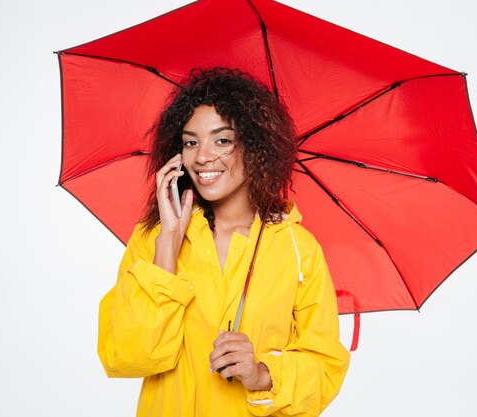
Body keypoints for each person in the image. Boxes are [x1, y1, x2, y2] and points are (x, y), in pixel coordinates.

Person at [97, 68, 350, 416]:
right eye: (190, 142)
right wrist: (167, 248)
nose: (202, 157)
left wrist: (261, 374)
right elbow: (125, 356)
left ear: (255, 146)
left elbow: (325, 366)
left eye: (222, 140)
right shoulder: (154, 238)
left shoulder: (297, 248)